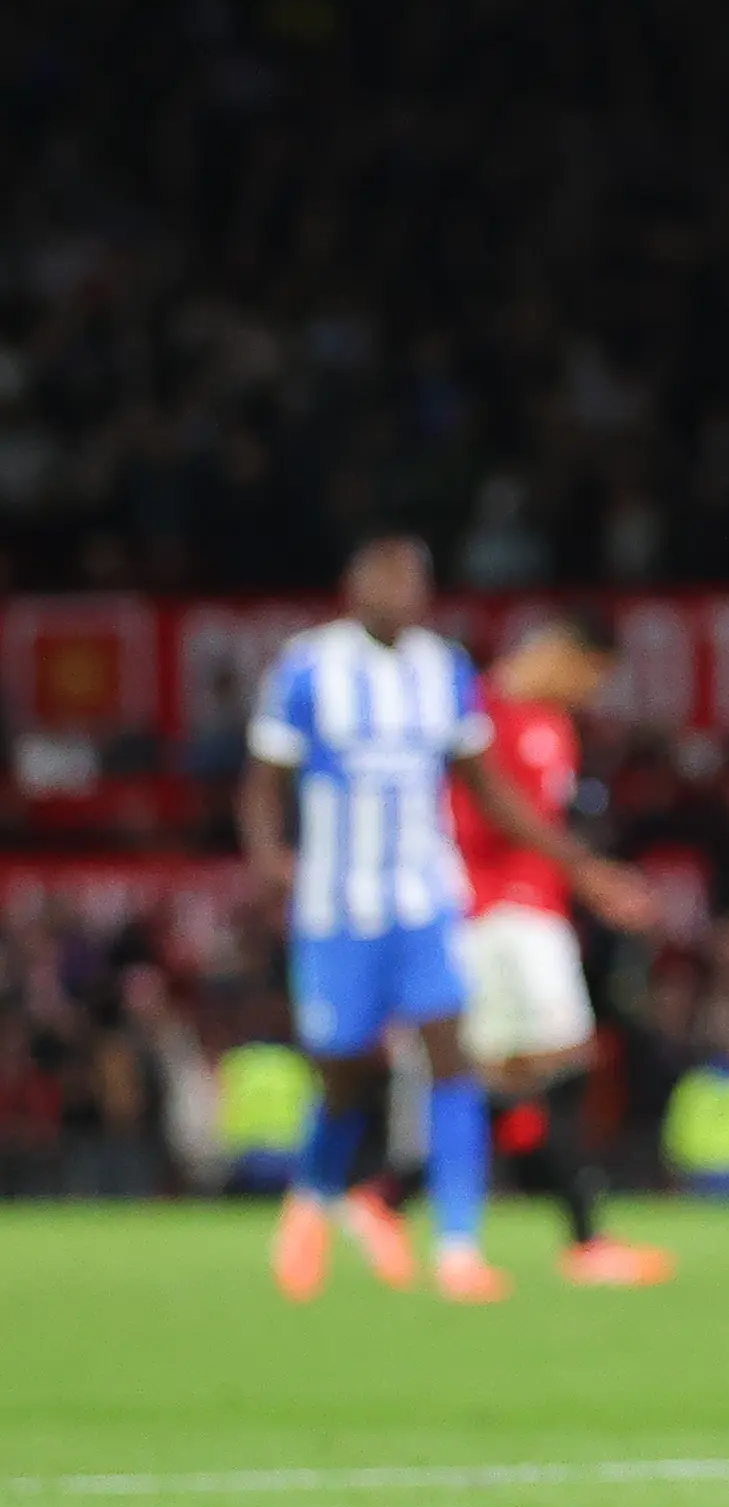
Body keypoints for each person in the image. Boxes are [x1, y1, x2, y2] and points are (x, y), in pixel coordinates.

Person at [245, 537, 654, 1304]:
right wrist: (270, 863)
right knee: (348, 1074)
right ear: (352, 585)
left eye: (411, 581)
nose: (397, 593)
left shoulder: (444, 672)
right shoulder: (307, 668)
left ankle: (458, 1248)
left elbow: (490, 789)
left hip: (427, 899)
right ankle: (319, 1198)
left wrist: (585, 872)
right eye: (383, 578)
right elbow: (264, 779)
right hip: (338, 904)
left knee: (458, 1063)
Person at [449, 607, 673, 1286]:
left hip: (535, 912)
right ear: (559, 654)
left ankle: (390, 1195)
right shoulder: (477, 710)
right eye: (590, 679)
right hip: (493, 912)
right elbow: (497, 816)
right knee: (559, 1061)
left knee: (513, 1074)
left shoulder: (556, 727)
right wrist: (595, 878)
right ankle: (581, 1238)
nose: (589, 696)